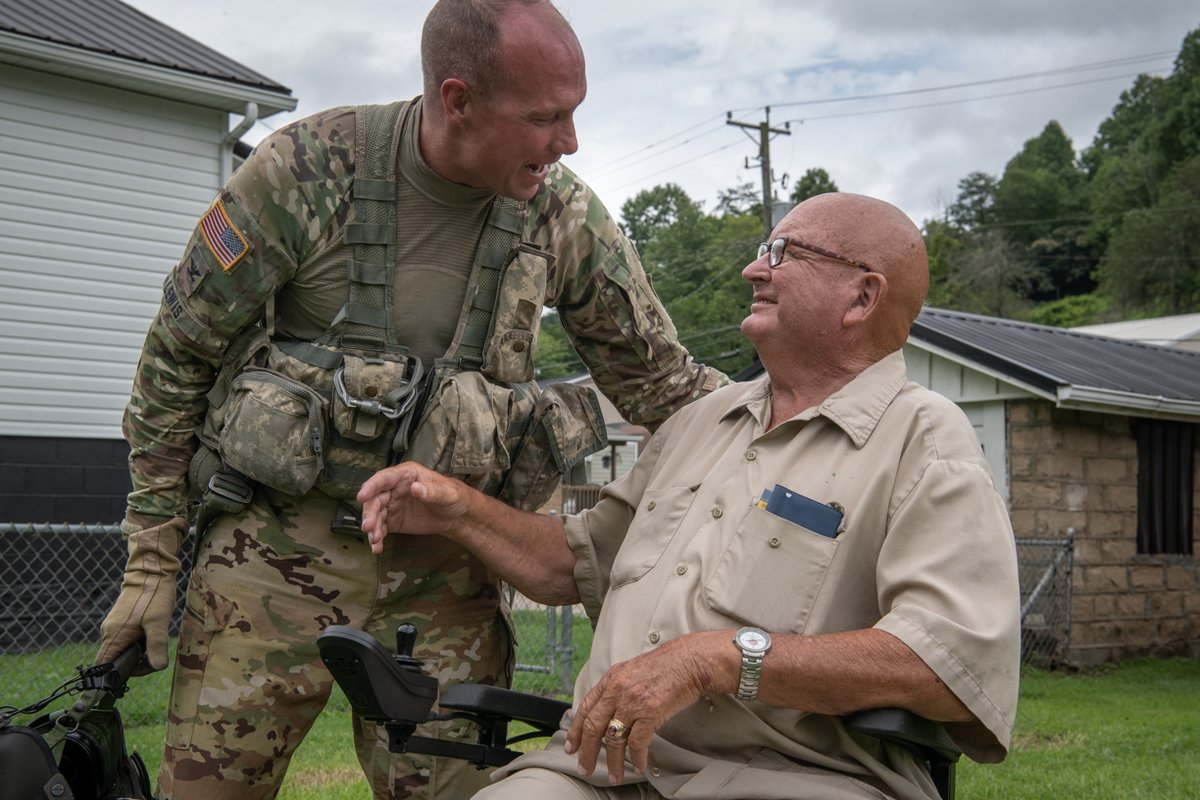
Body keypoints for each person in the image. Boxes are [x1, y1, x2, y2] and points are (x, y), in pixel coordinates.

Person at [95, 1, 727, 798]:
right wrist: (151, 560)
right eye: (545, 118)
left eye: (573, 115)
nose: (568, 142)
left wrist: (807, 424)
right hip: (268, 560)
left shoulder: (563, 216)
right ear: (457, 100)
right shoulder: (306, 171)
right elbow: (175, 360)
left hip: (447, 576)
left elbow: (666, 387)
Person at [357, 192, 1022, 800]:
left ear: (861, 297)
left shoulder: (923, 438)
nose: (753, 271)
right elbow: (574, 562)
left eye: (783, 254)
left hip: (790, 778)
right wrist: (460, 511)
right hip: (596, 771)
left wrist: (722, 658)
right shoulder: (701, 421)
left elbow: (944, 665)